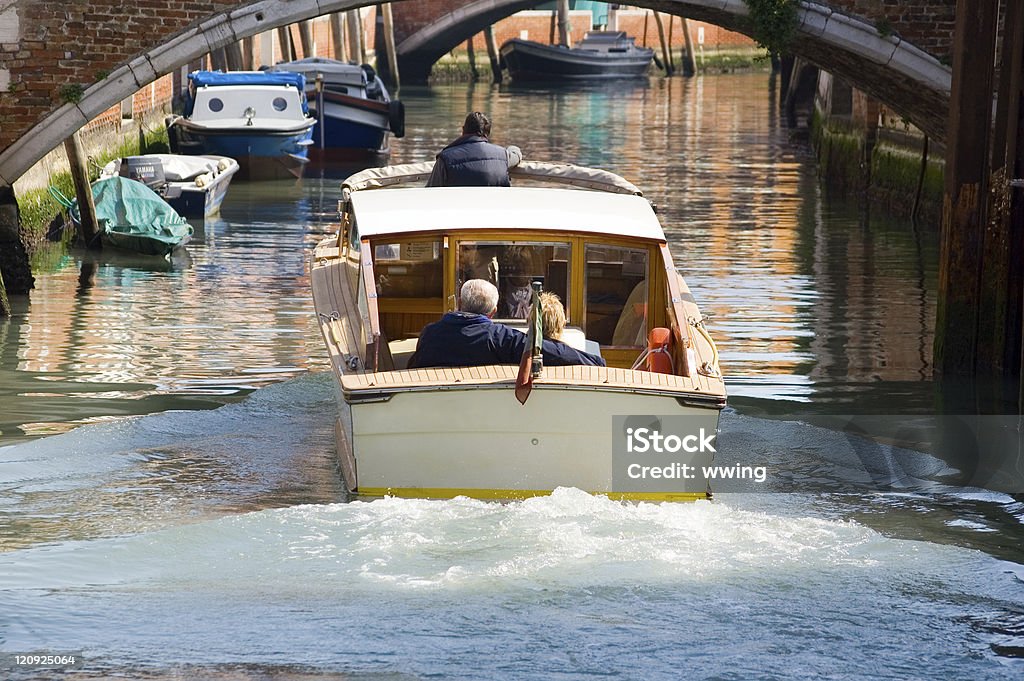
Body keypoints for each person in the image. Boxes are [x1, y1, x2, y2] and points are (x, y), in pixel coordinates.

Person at [408, 279, 605, 369]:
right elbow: (543, 350)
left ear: (460, 304)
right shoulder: (499, 337)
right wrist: (594, 361)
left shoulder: (430, 334)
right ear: (493, 312)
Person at [426, 112, 522, 187]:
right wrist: (511, 148)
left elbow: (430, 192)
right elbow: (517, 155)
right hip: (493, 210)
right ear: (487, 134)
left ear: (463, 130)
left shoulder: (445, 158)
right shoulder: (503, 155)